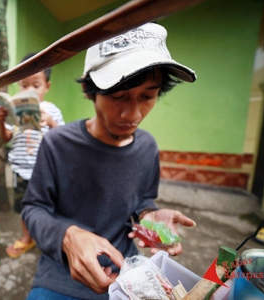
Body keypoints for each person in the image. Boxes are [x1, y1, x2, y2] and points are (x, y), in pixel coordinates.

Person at [21, 23, 197, 299]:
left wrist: (149, 216)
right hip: (58, 275)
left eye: (148, 96)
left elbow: (142, 200)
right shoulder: (56, 143)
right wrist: (67, 236)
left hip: (124, 272)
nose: (133, 113)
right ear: (91, 92)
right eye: (118, 96)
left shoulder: (148, 147)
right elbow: (33, 207)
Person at [0, 53, 65, 258]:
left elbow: (63, 138)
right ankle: (27, 238)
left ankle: (48, 239)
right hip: (19, 171)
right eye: (24, 85)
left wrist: (51, 123)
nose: (30, 90)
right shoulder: (13, 110)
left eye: (36, 85)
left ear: (47, 87)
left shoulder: (51, 111)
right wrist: (0, 121)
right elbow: (5, 137)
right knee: (23, 208)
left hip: (44, 173)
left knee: (47, 208)